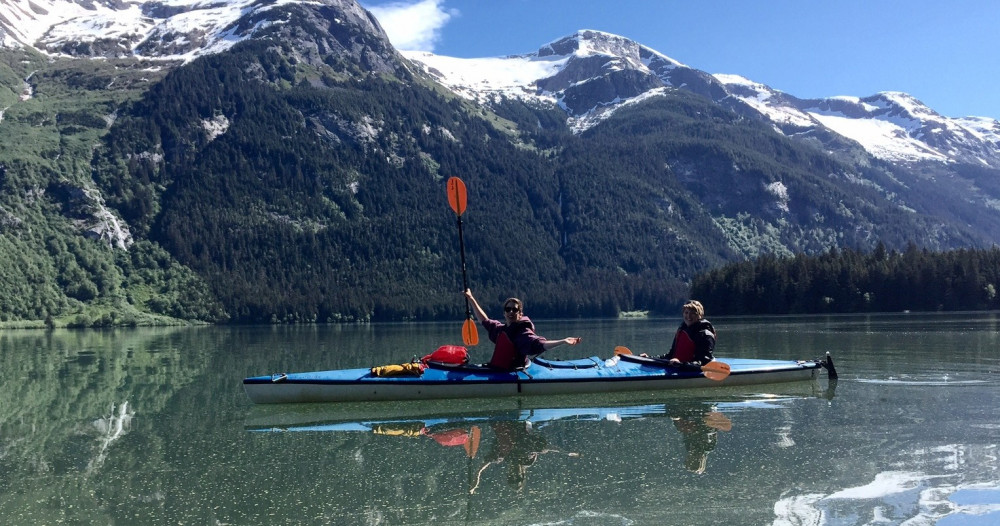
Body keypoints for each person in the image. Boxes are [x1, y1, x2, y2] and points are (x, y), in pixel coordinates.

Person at [464, 289, 582, 369]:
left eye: (514, 310)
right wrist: (471, 298)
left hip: (514, 371)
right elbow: (484, 320)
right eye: (508, 309)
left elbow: (541, 344)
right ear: (504, 313)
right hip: (498, 370)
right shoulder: (500, 329)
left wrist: (563, 341)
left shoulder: (523, 333)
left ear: (520, 314)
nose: (511, 312)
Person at [646, 300, 716, 368]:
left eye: (693, 313)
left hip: (690, 370)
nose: (689, 316)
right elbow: (670, 355)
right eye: (686, 312)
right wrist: (648, 358)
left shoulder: (706, 335)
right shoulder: (682, 330)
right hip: (679, 366)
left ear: (700, 315)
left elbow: (704, 362)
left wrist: (681, 364)